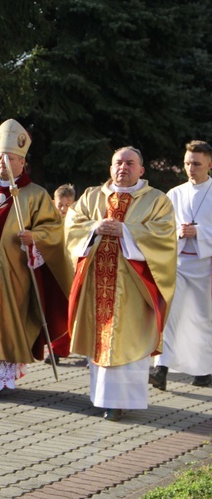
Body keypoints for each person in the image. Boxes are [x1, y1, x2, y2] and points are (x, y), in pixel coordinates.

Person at [0, 119, 72, 401]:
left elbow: (54, 231)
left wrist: (35, 237)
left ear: (22, 161)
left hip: (14, 275)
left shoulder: (36, 195)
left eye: (9, 157)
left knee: (6, 324)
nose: (3, 161)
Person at [67, 146, 176, 421]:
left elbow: (164, 236)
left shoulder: (157, 200)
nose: (123, 168)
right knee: (100, 342)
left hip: (132, 289)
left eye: (130, 163)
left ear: (141, 170)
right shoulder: (92, 195)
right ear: (110, 167)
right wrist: (94, 228)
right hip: (97, 284)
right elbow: (72, 225)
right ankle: (101, 398)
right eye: (118, 163)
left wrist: (126, 231)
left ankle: (120, 402)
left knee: (127, 342)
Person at [150, 140, 212, 390]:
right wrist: (178, 231)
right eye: (187, 163)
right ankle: (161, 370)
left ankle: (204, 369)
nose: (191, 168)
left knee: (202, 319)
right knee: (170, 315)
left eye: (196, 164)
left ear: (209, 163)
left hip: (205, 264)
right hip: (177, 263)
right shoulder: (174, 194)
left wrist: (201, 233)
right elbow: (159, 228)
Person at [44, 182, 77, 366]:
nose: (64, 209)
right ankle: (55, 349)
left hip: (73, 271)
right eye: (60, 205)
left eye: (68, 205)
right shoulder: (49, 223)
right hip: (56, 271)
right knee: (56, 311)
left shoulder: (77, 222)